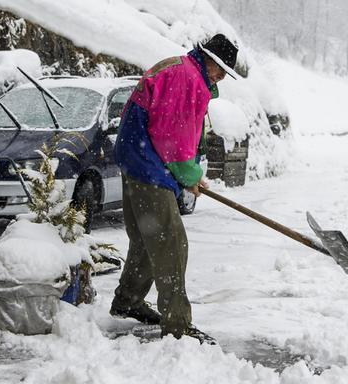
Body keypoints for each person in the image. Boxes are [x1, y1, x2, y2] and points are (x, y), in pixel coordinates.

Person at [109, 34, 240, 344]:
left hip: (135, 156)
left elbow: (175, 133)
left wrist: (188, 174)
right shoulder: (187, 79)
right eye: (220, 67)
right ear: (206, 57)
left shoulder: (183, 69)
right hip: (146, 162)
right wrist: (188, 175)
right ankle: (178, 326)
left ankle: (127, 301)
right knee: (171, 242)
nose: (221, 75)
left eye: (225, 71)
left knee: (146, 236)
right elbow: (174, 141)